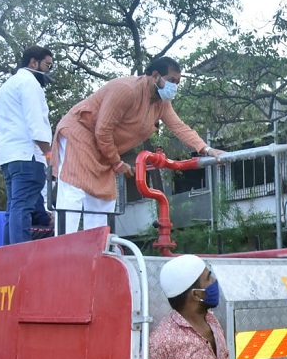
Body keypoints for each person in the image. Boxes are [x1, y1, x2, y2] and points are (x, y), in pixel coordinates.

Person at [51, 56, 225, 233]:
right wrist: (116, 162)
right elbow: (102, 130)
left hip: (104, 148)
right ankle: (62, 248)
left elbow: (179, 127)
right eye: (171, 80)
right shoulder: (126, 89)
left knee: (104, 199)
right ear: (155, 75)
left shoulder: (162, 103)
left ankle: (95, 251)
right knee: (74, 189)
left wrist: (206, 149)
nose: (175, 86)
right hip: (80, 133)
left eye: (178, 82)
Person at [0, 45, 55, 244]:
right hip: (28, 156)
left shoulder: (6, 87)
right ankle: (21, 259)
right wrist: (50, 155)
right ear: (33, 62)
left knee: (14, 207)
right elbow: (36, 123)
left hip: (8, 157)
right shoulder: (29, 83)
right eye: (47, 65)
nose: (48, 71)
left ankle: (8, 258)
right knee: (22, 208)